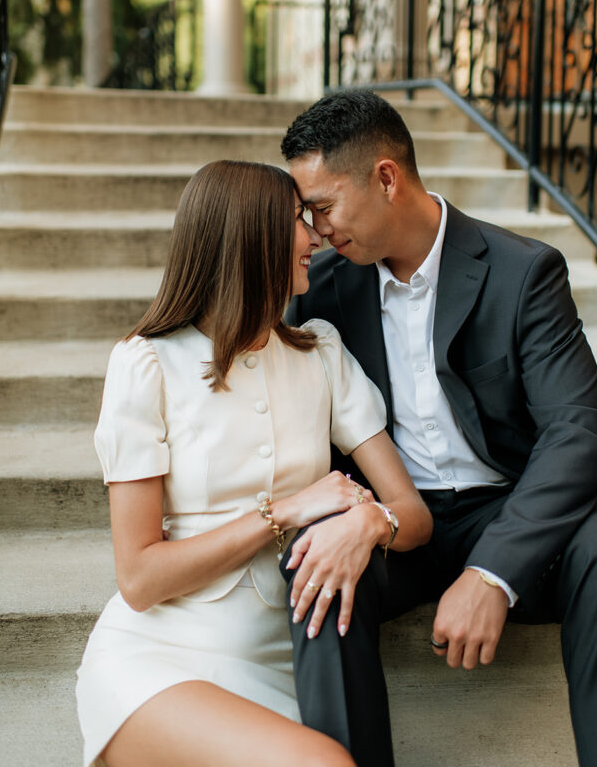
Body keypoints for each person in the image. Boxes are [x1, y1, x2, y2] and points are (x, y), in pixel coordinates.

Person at [281, 89, 597, 767]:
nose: (314, 230)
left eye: (322, 207)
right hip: (394, 516)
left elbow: (578, 434)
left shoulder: (522, 271)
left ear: (386, 178)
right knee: (315, 569)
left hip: (509, 508)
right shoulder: (325, 287)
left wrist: (493, 572)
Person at [75, 159, 432, 767]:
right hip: (162, 661)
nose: (315, 236)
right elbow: (139, 579)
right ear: (251, 236)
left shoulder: (320, 352)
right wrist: (288, 510)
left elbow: (413, 514)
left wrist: (374, 522)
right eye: (298, 219)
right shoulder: (146, 365)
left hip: (287, 662)